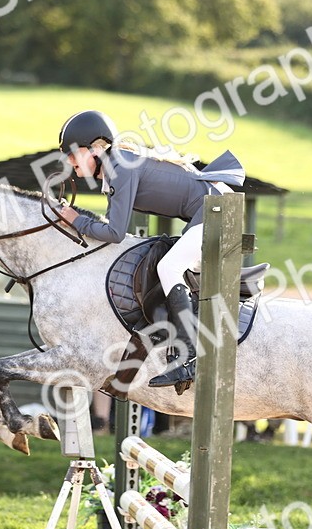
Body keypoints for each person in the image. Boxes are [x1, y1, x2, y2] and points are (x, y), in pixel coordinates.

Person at [53, 110, 245, 389]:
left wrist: (76, 220)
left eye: (73, 154)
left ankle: (189, 357)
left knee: (167, 267)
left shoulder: (120, 166)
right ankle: (143, 367)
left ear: (96, 148)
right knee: (161, 269)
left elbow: (115, 233)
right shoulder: (117, 164)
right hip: (211, 209)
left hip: (217, 210)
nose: (69, 161)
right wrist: (80, 221)